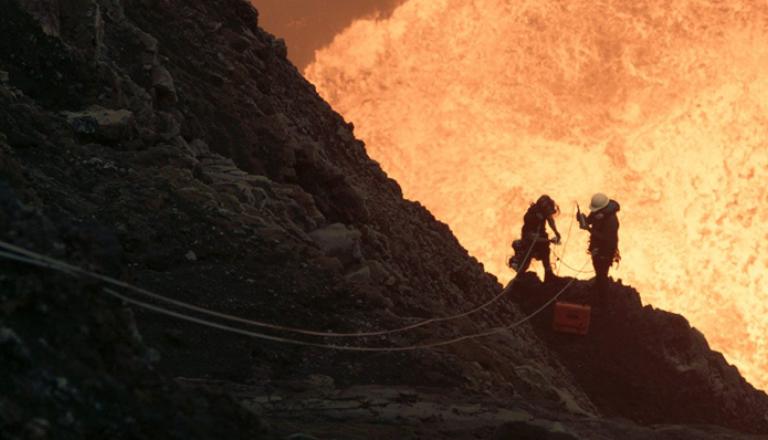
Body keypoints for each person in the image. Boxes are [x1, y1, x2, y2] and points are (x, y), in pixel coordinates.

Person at [510, 195, 561, 282]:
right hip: (529, 240)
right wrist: (549, 240)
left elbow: (550, 219)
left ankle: (548, 275)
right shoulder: (530, 217)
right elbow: (531, 237)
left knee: (545, 252)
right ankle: (519, 275)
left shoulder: (543, 213)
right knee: (527, 258)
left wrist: (556, 232)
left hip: (541, 237)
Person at [577, 193, 620, 297]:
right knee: (597, 268)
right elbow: (589, 220)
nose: (594, 212)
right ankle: (598, 287)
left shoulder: (612, 221)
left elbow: (606, 238)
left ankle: (603, 297)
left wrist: (588, 229)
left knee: (602, 273)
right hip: (597, 248)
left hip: (606, 251)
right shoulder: (597, 212)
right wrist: (581, 219)